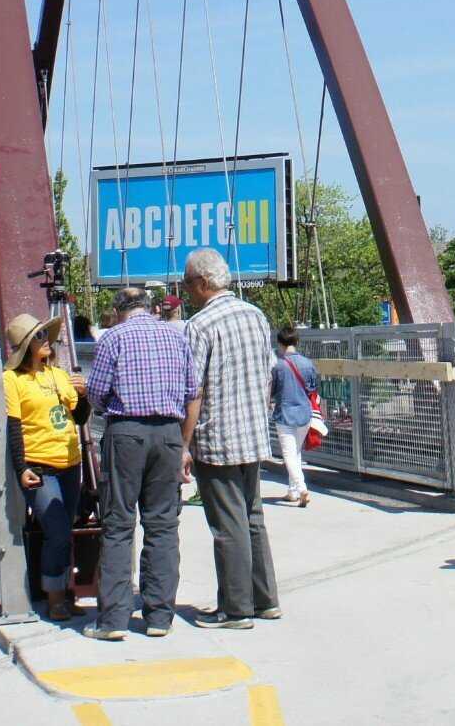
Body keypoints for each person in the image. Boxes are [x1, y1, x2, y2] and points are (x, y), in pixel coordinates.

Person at [83, 285, 200, 642]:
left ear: (118, 311)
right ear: (150, 308)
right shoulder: (176, 337)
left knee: (119, 524)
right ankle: (159, 616)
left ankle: (114, 620)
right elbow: (192, 391)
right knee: (163, 525)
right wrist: (183, 443)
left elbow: (97, 392)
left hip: (127, 432)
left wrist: (109, 408)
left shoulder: (112, 338)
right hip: (167, 432)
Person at [180, 249, 280, 628]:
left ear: (203, 283)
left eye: (189, 284)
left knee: (227, 524)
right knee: (252, 516)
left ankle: (235, 609)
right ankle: (264, 598)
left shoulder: (199, 325)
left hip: (217, 439)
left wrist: (184, 445)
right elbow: (269, 372)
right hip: (253, 433)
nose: (188, 292)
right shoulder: (256, 316)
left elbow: (195, 392)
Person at [2, 314, 89, 621]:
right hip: (40, 466)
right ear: (26, 346)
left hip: (70, 463)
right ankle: (54, 597)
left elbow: (79, 419)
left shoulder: (60, 375)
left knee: (66, 530)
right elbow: (14, 427)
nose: (46, 341)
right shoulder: (13, 380)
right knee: (57, 529)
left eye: (46, 334)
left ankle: (65, 593)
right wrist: (21, 466)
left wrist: (83, 396)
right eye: (39, 336)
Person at [271, 326, 319, 507]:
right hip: (304, 413)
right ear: (296, 342)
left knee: (289, 455)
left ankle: (302, 488)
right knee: (296, 452)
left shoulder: (278, 365)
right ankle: (292, 491)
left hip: (284, 414)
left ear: (280, 343)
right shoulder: (308, 363)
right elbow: (313, 387)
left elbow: (272, 390)